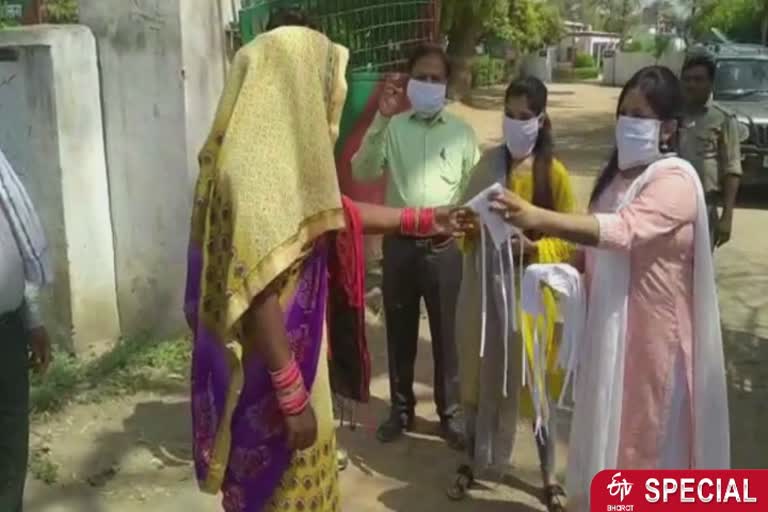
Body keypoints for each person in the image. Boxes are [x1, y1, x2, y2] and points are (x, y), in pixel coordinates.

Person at [185, 26, 461, 512]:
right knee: (277, 492)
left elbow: (337, 213)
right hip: (271, 373)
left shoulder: (280, 161)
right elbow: (257, 284)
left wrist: (420, 217)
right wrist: (291, 395)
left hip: (298, 360)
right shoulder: (250, 176)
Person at [481, 66, 730, 511]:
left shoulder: (675, 181)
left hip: (658, 347)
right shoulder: (615, 180)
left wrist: (539, 218)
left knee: (649, 447)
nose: (628, 122)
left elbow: (623, 231)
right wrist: (546, 262)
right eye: (624, 112)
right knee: (612, 443)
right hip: (612, 338)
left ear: (669, 127)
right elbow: (592, 254)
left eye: (640, 114)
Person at [447, 77, 573, 511]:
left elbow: (570, 238)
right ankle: (472, 459)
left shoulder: (552, 173)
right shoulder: (486, 165)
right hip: (484, 291)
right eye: (510, 115)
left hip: (530, 296)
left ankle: (547, 475)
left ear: (541, 121)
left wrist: (535, 246)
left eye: (525, 117)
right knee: (479, 374)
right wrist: (470, 229)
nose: (516, 124)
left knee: (533, 384)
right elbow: (465, 221)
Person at [351, 43, 479, 446]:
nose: (427, 84)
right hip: (401, 245)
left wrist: (461, 227)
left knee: (446, 336)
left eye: (435, 78)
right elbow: (363, 169)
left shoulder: (462, 133)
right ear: (409, 82)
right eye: (420, 77)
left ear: (446, 84)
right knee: (400, 331)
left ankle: (450, 414)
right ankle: (400, 411)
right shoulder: (393, 127)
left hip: (445, 249)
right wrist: (380, 119)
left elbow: (472, 190)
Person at [0, 146, 53, 512]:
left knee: (9, 440)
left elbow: (18, 236)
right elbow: (24, 232)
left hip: (6, 324)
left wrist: (32, 317)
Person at [679, 55, 742, 248]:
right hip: (671, 203)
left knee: (700, 269)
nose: (691, 85)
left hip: (704, 206)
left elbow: (732, 169)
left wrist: (727, 216)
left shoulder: (723, 119)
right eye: (687, 79)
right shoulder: (673, 114)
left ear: (711, 83)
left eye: (698, 79)